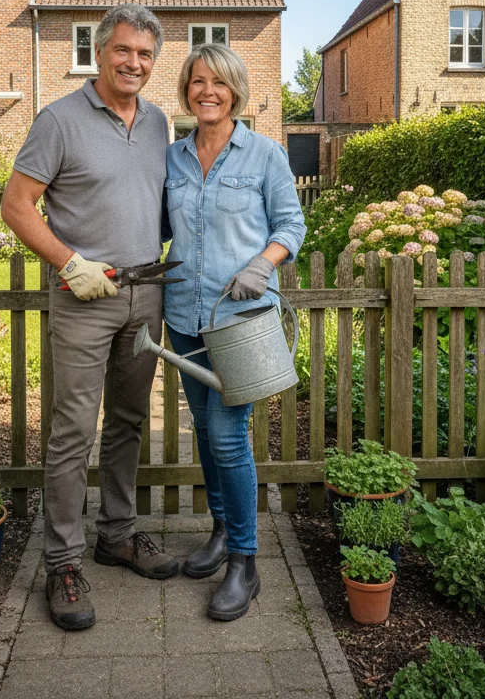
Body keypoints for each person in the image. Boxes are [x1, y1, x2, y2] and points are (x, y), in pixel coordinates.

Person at [1, 3, 179, 634]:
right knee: (74, 429)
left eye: (146, 55)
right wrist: (68, 261)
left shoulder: (160, 123)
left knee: (129, 421)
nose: (134, 63)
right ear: (100, 52)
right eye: (124, 51)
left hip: (144, 296)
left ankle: (118, 535)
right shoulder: (60, 121)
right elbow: (16, 206)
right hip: (83, 299)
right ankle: (63, 561)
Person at [161, 43, 306, 620]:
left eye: (218, 83)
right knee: (203, 429)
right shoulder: (172, 157)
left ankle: (245, 562)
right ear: (187, 90)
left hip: (241, 321)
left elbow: (292, 224)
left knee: (227, 437)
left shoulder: (265, 155)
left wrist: (260, 264)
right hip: (183, 315)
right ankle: (222, 531)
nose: (207, 92)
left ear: (236, 91)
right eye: (198, 82)